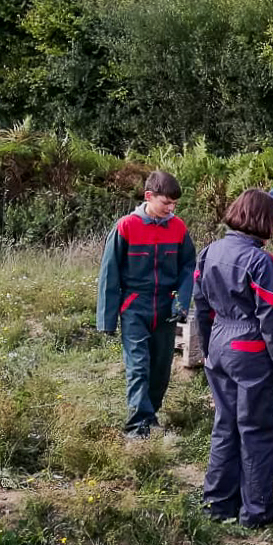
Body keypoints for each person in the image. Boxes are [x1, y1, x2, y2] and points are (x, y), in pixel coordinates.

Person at [194, 190, 273, 527]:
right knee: (257, 431)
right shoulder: (261, 262)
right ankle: (257, 514)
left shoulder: (209, 252)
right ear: (261, 220)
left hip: (219, 345)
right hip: (249, 347)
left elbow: (201, 304)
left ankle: (217, 505)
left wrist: (209, 349)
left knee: (225, 426)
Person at [97, 171, 197, 439]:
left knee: (161, 369)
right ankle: (136, 428)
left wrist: (182, 300)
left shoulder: (178, 228)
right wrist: (106, 320)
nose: (171, 209)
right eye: (166, 203)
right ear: (148, 196)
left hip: (166, 307)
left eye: (175, 205)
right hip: (135, 307)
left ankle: (150, 417)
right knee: (139, 366)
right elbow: (109, 274)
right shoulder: (126, 226)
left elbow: (189, 267)